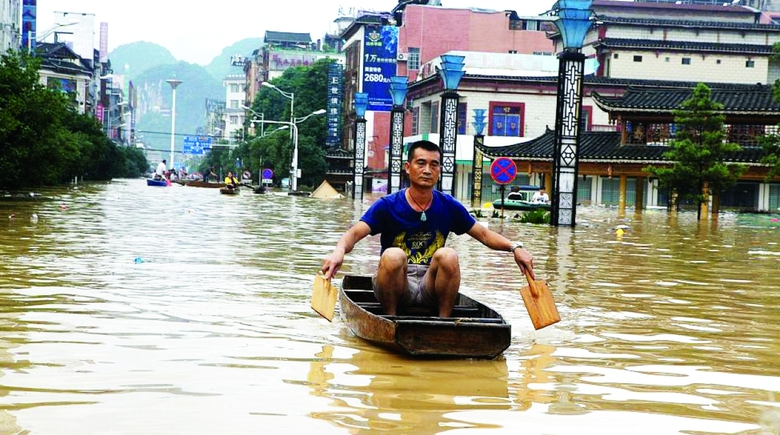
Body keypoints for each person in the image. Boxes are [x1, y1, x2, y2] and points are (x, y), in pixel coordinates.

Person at [321, 140, 535, 317]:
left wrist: (515, 247)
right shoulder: (388, 205)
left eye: (434, 165)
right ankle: (389, 319)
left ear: (439, 170)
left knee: (448, 255)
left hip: (431, 285)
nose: (427, 170)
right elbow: (354, 233)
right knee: (393, 254)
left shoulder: (448, 205)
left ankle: (442, 324)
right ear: (408, 168)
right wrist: (338, 252)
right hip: (397, 285)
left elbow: (484, 234)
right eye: (421, 163)